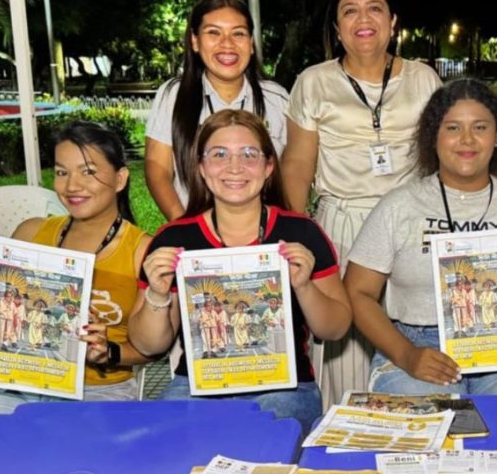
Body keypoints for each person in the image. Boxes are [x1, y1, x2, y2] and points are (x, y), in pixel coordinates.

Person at [345, 79, 497, 395]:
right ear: (433, 137)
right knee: (426, 423)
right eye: (452, 128)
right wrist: (406, 354)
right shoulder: (399, 205)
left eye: (480, 127)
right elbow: (357, 293)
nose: (467, 139)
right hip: (419, 343)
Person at [129, 109, 352, 433]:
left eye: (249, 154)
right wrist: (157, 294)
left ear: (268, 167)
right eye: (219, 155)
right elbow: (148, 345)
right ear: (201, 168)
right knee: (169, 443)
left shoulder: (301, 233)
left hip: (284, 389)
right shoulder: (175, 239)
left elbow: (335, 329)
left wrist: (304, 288)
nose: (234, 167)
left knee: (265, 437)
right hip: (196, 389)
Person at [282, 0, 442, 407]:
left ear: (393, 21)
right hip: (341, 224)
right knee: (344, 347)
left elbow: (440, 159)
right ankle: (342, 446)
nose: (363, 19)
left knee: (413, 335)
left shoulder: (424, 78)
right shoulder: (313, 82)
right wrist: (300, 232)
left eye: (375, 8)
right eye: (349, 11)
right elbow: (297, 163)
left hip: (411, 229)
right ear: (337, 28)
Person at [0, 122, 152, 422]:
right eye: (62, 172)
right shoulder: (30, 234)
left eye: (88, 171)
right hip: (17, 387)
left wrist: (107, 351)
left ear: (120, 178)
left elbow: (150, 350)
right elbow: (0, 327)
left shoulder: (142, 251)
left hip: (97, 390)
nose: (72, 186)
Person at [145, 0, 289, 221]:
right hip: (194, 234)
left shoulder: (277, 99)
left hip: (261, 240)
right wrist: (185, 227)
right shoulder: (173, 95)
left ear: (251, 43)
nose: (227, 44)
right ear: (194, 40)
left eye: (238, 34)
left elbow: (290, 173)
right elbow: (157, 168)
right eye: (214, 32)